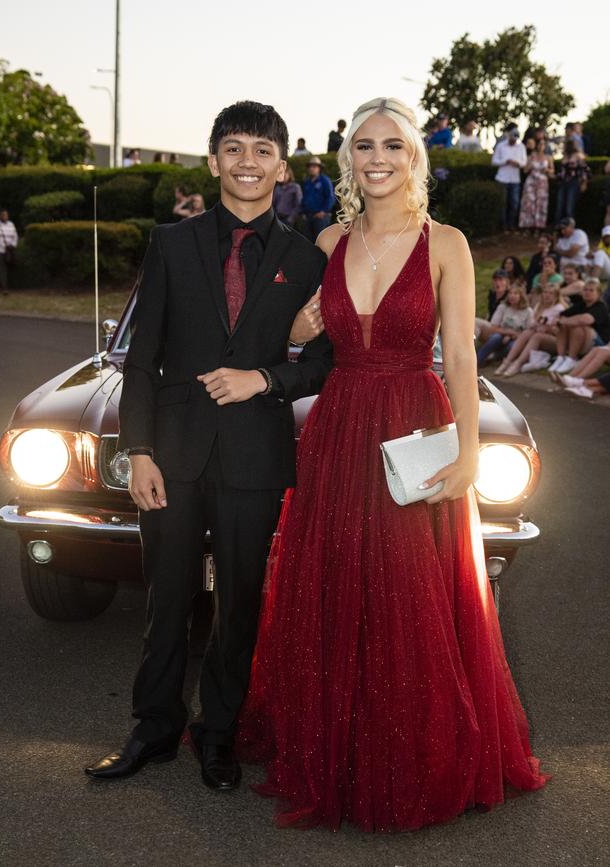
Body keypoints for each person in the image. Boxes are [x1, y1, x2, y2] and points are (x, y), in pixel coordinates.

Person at [238, 96, 549, 832]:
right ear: (349, 158)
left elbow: (464, 356)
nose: (376, 158)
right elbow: (293, 341)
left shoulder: (447, 243)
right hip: (341, 424)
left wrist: (471, 446)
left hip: (415, 421)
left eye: (391, 146)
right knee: (339, 577)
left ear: (415, 157)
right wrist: (294, 322)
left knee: (410, 589)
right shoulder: (326, 239)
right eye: (363, 146)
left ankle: (410, 753)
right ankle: (342, 750)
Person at [84, 101, 333, 789]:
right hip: (171, 451)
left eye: (261, 149)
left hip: (255, 455)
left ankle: (216, 731)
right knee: (166, 598)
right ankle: (153, 726)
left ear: (282, 165)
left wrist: (265, 377)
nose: (247, 161)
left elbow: (322, 360)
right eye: (233, 147)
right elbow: (143, 357)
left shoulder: (306, 258)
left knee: (241, 600)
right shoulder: (171, 243)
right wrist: (138, 450)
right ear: (213, 158)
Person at [495, 282, 566, 376]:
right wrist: (536, 325)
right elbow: (532, 324)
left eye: (550, 293)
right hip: (539, 335)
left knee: (537, 336)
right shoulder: (539, 306)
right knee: (527, 333)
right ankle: (507, 361)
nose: (547, 295)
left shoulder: (559, 309)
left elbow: (559, 331)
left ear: (556, 296)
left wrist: (547, 328)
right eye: (545, 292)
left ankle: (518, 364)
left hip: (555, 341)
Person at [548, 278, 610, 374]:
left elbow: (586, 319)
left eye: (591, 290)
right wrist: (560, 322)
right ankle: (561, 357)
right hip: (582, 341)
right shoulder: (581, 304)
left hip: (600, 344)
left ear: (598, 293)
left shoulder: (601, 306)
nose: (587, 292)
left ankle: (572, 359)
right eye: (585, 290)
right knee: (564, 325)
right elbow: (561, 315)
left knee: (578, 326)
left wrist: (563, 321)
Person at [476, 284, 535, 367]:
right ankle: (478, 360)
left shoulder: (528, 311)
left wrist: (512, 336)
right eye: (510, 293)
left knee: (512, 346)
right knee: (495, 338)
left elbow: (529, 331)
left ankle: (494, 356)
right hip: (501, 334)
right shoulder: (503, 307)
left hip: (518, 338)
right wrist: (508, 333)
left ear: (521, 296)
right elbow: (494, 327)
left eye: (515, 294)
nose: (512, 296)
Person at [491, 124, 527, 232]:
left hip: (515, 179)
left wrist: (518, 163)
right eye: (512, 138)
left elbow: (524, 162)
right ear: (509, 136)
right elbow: (494, 161)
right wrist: (505, 161)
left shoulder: (521, 147)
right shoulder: (501, 146)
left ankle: (511, 224)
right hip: (502, 179)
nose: (514, 140)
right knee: (503, 203)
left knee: (514, 203)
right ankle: (503, 226)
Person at [518, 139, 554, 233]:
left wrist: (547, 170)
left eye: (543, 144)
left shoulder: (548, 157)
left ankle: (538, 226)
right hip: (531, 182)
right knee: (529, 203)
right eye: (539, 144)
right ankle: (527, 226)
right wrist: (530, 165)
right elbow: (525, 170)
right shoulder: (531, 156)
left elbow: (552, 171)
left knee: (540, 203)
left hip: (542, 182)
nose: (541, 146)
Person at [553, 141, 591, 223]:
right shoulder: (565, 157)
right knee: (560, 206)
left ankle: (569, 226)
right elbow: (561, 173)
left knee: (569, 207)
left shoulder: (577, 156)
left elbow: (584, 170)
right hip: (563, 183)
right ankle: (558, 227)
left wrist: (584, 182)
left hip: (574, 183)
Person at [301, 156, 336, 241]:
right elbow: (304, 198)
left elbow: (330, 197)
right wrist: (303, 212)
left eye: (314, 166)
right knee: (308, 242)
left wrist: (323, 211)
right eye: (310, 166)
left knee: (321, 242)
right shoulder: (307, 182)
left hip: (321, 217)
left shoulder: (325, 180)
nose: (312, 168)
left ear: (319, 168)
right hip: (308, 216)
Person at [474, 268, 509, 341]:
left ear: (506, 282)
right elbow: (490, 312)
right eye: (495, 280)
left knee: (474, 321)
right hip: (490, 324)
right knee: (474, 325)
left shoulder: (509, 296)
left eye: (500, 280)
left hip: (500, 328)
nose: (497, 283)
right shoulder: (492, 295)